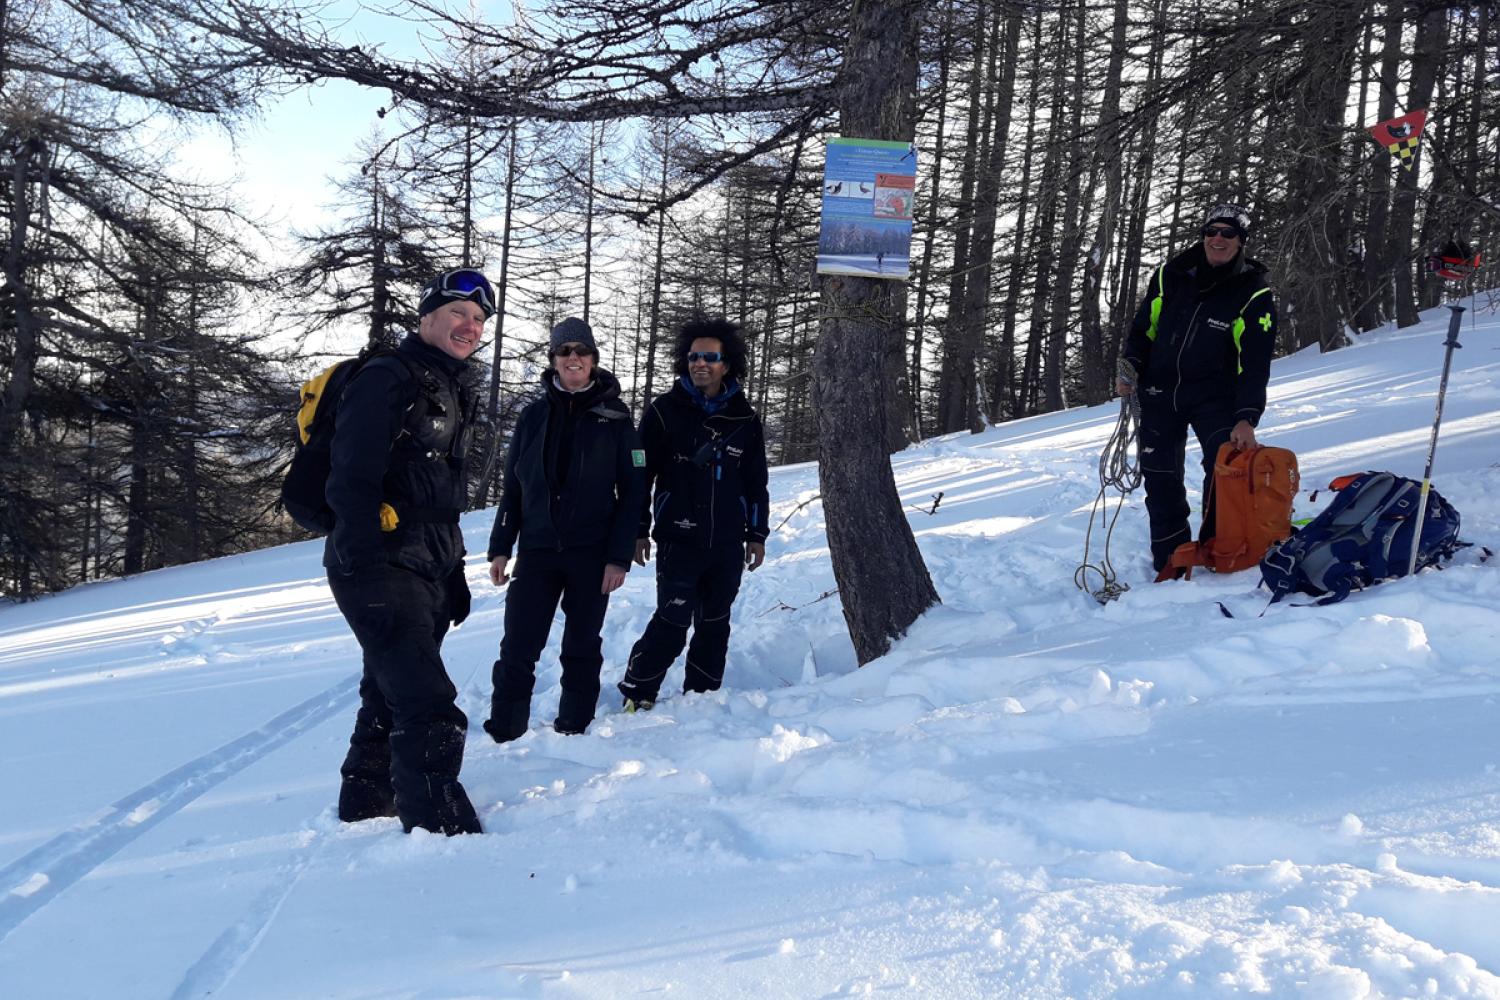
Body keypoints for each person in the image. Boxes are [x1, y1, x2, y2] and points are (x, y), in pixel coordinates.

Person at [325, 268, 491, 836]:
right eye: (457, 314)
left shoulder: (448, 385)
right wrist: (363, 563)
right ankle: (439, 829)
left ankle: (365, 800)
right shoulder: (387, 379)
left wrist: (455, 572)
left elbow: (438, 496)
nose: (469, 326)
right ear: (426, 318)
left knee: (388, 688)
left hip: (429, 563)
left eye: (478, 319)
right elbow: (350, 478)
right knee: (428, 699)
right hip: (380, 564)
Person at [483, 318, 645, 741]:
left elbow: (632, 492)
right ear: (554, 360)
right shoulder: (533, 416)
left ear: (593, 359)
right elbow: (514, 485)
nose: (573, 358)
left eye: (581, 351)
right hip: (537, 548)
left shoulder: (616, 419)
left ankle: (575, 725)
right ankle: (505, 728)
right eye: (564, 351)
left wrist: (618, 556)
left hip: (591, 553)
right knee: (518, 643)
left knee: (581, 645)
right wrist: (501, 546)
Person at [617, 317, 770, 711]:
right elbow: (640, 476)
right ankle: (638, 691)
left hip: (726, 542)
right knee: (672, 619)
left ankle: (702, 697)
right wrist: (638, 529)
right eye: (693, 356)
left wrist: (757, 534)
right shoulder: (664, 412)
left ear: (727, 363)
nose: (700, 363)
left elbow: (756, 481)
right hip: (678, 538)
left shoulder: (745, 419)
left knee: (715, 622)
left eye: (710, 357)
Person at [1117, 202, 1278, 574]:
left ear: (1240, 243)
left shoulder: (1253, 293)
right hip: (1159, 394)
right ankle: (1171, 559)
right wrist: (1131, 368)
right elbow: (1143, 332)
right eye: (1212, 232)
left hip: (1217, 398)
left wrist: (1247, 417)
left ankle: (1220, 552)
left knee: (1225, 472)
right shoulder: (1170, 277)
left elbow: (1255, 363)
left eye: (1228, 233)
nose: (1217, 239)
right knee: (1160, 477)